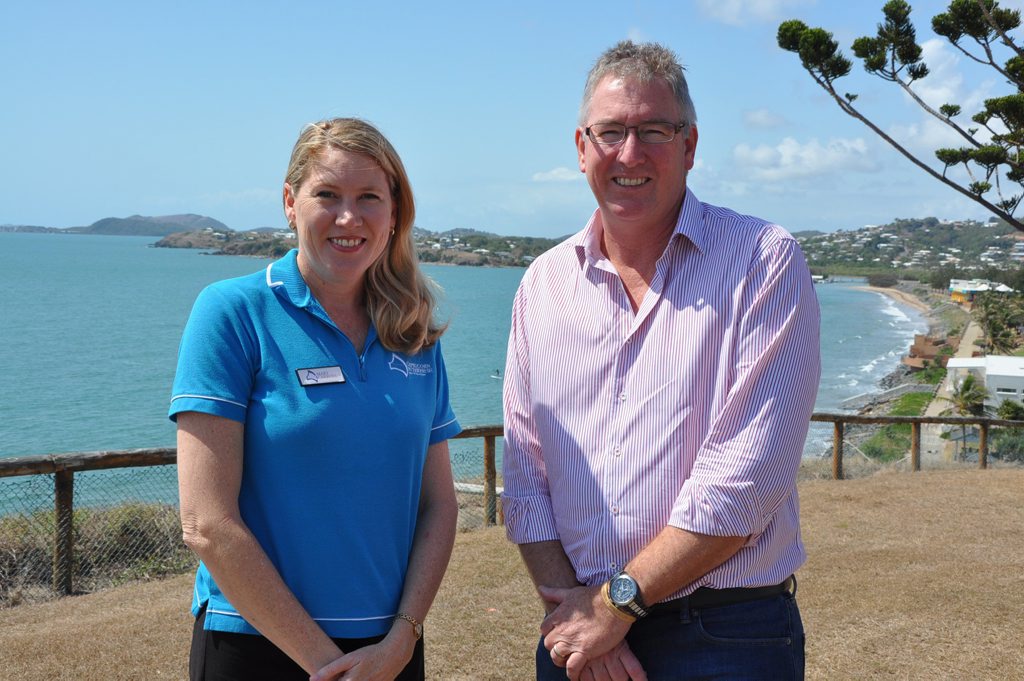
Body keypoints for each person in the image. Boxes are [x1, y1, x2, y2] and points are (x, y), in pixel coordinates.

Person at [502, 41, 820, 681]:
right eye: (611, 131)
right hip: (577, 630)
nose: (629, 152)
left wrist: (617, 603)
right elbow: (528, 475)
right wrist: (583, 614)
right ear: (581, 146)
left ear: (690, 146)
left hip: (725, 633)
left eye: (654, 130)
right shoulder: (542, 283)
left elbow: (746, 482)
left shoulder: (762, 260)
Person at [170, 117, 461, 681]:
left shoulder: (413, 334)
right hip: (254, 643)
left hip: (388, 652)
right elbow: (206, 521)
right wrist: (326, 664)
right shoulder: (232, 312)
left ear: (394, 212)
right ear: (290, 202)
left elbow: (439, 504)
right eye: (327, 194)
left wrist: (402, 639)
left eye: (369, 197)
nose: (348, 217)